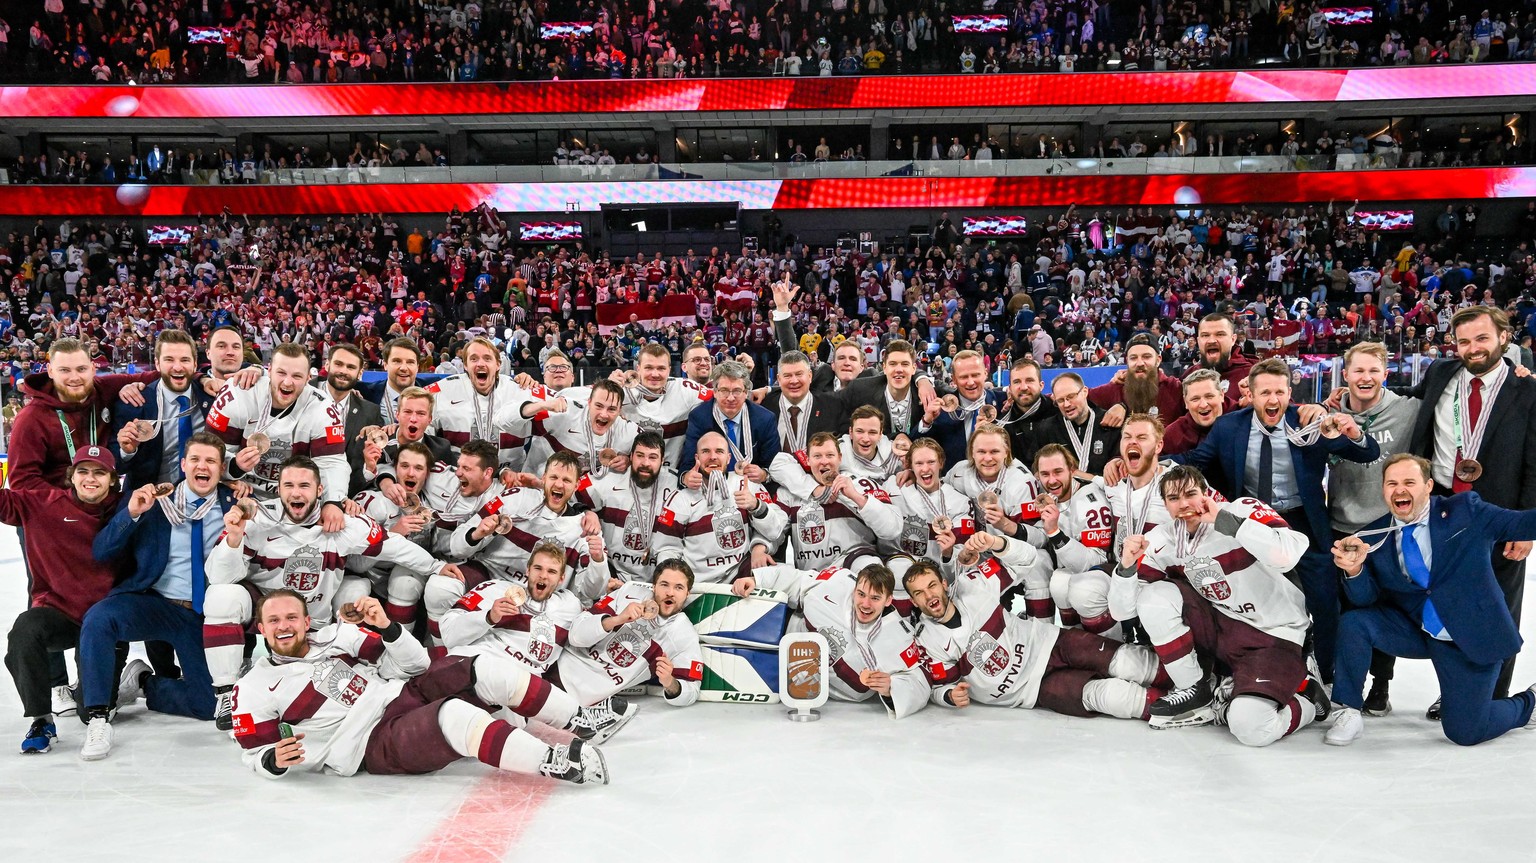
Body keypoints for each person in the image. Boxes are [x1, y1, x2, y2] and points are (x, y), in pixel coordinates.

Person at [231, 591, 614, 784]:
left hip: (401, 693)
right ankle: (556, 762)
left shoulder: (337, 636)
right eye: (274, 620)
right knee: (456, 716)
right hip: (370, 740)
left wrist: (388, 628)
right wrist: (273, 761)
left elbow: (415, 665)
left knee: (488, 668)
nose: (284, 626)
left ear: (305, 620)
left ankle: (580, 721)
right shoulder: (252, 686)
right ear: (261, 629)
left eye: (292, 617)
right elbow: (254, 752)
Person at [203, 456, 463, 730]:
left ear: (319, 491)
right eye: (288, 485)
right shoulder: (256, 520)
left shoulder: (343, 525)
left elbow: (393, 545)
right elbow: (219, 578)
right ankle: (226, 693)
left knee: (357, 588)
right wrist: (233, 538)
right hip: (266, 612)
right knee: (222, 597)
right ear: (278, 489)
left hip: (314, 619)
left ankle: (375, 673)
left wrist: (435, 565)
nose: (296, 492)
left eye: (304, 485)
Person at [1174, 358, 1380, 685]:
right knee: (1254, 602)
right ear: (1250, 395)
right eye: (1265, 392)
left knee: (1325, 603)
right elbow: (1193, 462)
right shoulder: (1229, 427)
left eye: (1280, 392)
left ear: (1290, 393)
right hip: (1252, 523)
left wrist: (1354, 432)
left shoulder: (1309, 422)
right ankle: (1264, 671)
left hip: (1305, 521)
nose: (1273, 400)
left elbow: (1366, 454)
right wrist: (1146, 462)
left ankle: (1328, 676)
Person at [1328, 454, 1536, 746]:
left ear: (1428, 486)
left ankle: (1530, 703)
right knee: (1355, 622)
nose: (1400, 490)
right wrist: (1354, 569)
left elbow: (1524, 523)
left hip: (1469, 637)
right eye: (1392, 483)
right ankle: (1347, 710)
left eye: (1409, 482)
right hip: (1418, 630)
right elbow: (1364, 600)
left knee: (1465, 731)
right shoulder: (1372, 535)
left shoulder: (1465, 510)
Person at [1115, 466, 1330, 744]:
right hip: (1223, 629)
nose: (1184, 505)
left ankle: (1308, 695)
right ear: (1165, 505)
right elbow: (1124, 611)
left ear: (1206, 493)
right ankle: (1195, 689)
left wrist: (1225, 520)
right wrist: (1126, 567)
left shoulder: (1241, 508)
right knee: (1153, 597)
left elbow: (1288, 554)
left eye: (1191, 494)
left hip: (1275, 634)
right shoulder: (1161, 540)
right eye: (1173, 498)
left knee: (1251, 728)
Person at [1398, 305, 1536, 705]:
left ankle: (1493, 695)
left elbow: (1533, 462)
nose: (1473, 348)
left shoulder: (1527, 390)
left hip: (1499, 514)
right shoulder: (1441, 373)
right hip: (1443, 506)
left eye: (1481, 338)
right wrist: (1357, 395)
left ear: (1503, 338)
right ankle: (1459, 690)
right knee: (1452, 604)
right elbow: (1414, 401)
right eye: (1464, 341)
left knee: (1498, 608)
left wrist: (1525, 530)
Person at [76, 433, 233, 760]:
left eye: (210, 461)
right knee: (100, 619)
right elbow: (102, 550)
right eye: (195, 460)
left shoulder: (233, 504)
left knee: (206, 706)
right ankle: (97, 716)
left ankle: (145, 681)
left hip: (204, 616)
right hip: (156, 604)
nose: (202, 466)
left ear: (221, 469)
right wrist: (131, 513)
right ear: (183, 464)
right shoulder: (156, 501)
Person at [905, 538, 1165, 720]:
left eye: (931, 586)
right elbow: (940, 687)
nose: (929, 596)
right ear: (913, 601)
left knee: (1123, 661)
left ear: (943, 583)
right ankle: (1167, 708)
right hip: (1031, 689)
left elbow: (1029, 558)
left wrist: (997, 544)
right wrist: (950, 696)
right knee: (1106, 696)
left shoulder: (973, 584)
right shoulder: (927, 640)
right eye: (918, 593)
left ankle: (1187, 684)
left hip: (1048, 643)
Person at [438, 541, 638, 736]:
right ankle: (581, 721)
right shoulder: (494, 589)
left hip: (511, 701)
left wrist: (615, 599)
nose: (543, 575)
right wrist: (488, 617)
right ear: (527, 570)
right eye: (538, 568)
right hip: (471, 671)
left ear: (561, 579)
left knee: (501, 724)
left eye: (551, 572)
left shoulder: (570, 606)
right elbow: (448, 634)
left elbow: (588, 628)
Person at [4, 445, 123, 755]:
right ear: (71, 477)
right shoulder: (42, 503)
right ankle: (41, 720)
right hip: (59, 614)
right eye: (83, 471)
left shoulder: (124, 511)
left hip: (102, 624)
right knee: (24, 631)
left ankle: (127, 682)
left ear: (112, 480)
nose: (90, 479)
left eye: (99, 473)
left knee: (91, 712)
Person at [1326, 341, 1421, 715]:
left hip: (1387, 526)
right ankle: (1341, 680)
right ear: (1345, 374)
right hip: (1341, 523)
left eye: (1373, 371)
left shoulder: (1406, 409)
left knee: (1386, 607)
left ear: (1386, 374)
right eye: (1358, 371)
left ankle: (1381, 684)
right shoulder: (1329, 414)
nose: (1365, 378)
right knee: (1345, 608)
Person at [735, 559, 929, 718]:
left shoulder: (899, 636)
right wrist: (758, 580)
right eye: (861, 594)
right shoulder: (837, 582)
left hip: (811, 696)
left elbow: (920, 682)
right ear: (854, 589)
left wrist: (892, 688)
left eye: (875, 598)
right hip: (779, 633)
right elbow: (799, 580)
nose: (865, 604)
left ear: (888, 600)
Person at [205, 342, 350, 525]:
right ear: (269, 370)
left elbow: (332, 462)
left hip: (294, 499)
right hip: (239, 492)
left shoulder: (323, 407)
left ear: (308, 378)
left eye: (297, 376)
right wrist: (234, 466)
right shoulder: (237, 393)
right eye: (281, 373)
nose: (287, 382)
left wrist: (332, 502)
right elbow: (209, 451)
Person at [552, 559, 705, 708]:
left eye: (678, 587)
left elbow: (692, 691)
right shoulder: (628, 592)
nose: (670, 593)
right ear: (654, 587)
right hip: (552, 665)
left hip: (577, 698)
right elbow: (575, 636)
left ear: (687, 593)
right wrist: (617, 619)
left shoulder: (684, 634)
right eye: (664, 585)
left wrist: (669, 682)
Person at [653, 431, 786, 585]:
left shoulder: (747, 485)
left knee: (773, 573)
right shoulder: (679, 498)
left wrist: (757, 507)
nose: (713, 457)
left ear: (728, 458)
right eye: (705, 452)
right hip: (697, 583)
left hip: (741, 576)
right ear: (697, 458)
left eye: (719, 451)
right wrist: (677, 582)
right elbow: (666, 548)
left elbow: (776, 531)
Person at [776, 432, 901, 570]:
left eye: (830, 455)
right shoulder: (790, 492)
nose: (824, 461)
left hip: (855, 567)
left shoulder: (862, 484)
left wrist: (855, 496)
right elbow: (774, 528)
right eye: (817, 456)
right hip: (811, 578)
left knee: (872, 568)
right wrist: (761, 546)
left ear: (840, 458)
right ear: (807, 460)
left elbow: (892, 529)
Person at [112, 330, 214, 489]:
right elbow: (117, 466)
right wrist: (126, 451)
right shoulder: (134, 402)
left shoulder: (210, 397)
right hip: (150, 497)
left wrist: (257, 369)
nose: (178, 367)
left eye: (185, 360)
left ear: (195, 364)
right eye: (169, 360)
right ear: (157, 364)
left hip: (202, 492)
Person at [575, 432, 678, 583]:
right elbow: (569, 496)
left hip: (657, 581)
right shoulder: (608, 479)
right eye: (640, 455)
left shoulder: (677, 484)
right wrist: (586, 511)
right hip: (612, 575)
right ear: (630, 457)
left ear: (663, 461)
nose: (645, 463)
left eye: (653, 457)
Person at [517, 379, 637, 478]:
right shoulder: (563, 413)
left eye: (611, 409)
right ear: (589, 402)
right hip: (538, 487)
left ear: (620, 409)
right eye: (599, 406)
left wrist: (629, 460)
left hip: (582, 498)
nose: (604, 414)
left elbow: (652, 453)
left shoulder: (627, 430)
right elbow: (505, 422)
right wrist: (539, 406)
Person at [679, 360, 779, 476]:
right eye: (724, 391)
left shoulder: (765, 419)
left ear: (746, 392)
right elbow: (688, 462)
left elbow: (773, 466)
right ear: (715, 392)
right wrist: (686, 477)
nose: (731, 398)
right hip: (711, 484)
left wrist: (764, 474)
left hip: (751, 486)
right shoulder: (699, 417)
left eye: (737, 391)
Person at [317, 344, 382, 496]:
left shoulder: (370, 412)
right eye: (338, 364)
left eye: (351, 367)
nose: (343, 371)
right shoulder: (302, 394)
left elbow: (369, 462)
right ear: (327, 364)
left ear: (360, 373)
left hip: (347, 496)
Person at [1036, 373, 1121, 476]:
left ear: (1085, 392)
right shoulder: (1046, 429)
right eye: (1060, 400)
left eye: (1071, 397)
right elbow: (1037, 470)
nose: (1067, 404)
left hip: (1105, 489)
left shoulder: (1109, 422)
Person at [1093, 335, 1187, 425]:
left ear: (1158, 360)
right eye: (1133, 358)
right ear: (1127, 361)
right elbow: (1081, 396)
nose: (1140, 363)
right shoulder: (1115, 389)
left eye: (1146, 357)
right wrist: (1118, 406)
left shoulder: (1176, 388)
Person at [996, 356, 1058, 465]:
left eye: (1029, 380)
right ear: (1010, 389)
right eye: (1017, 382)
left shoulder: (1058, 413)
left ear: (1041, 385)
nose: (1024, 387)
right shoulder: (1002, 424)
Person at [1161, 369, 1224, 456]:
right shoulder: (1172, 436)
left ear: (1222, 395)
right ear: (1186, 402)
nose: (1203, 405)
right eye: (1195, 399)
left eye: (1209, 396)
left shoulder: (1242, 420)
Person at [1195, 312, 1254, 395]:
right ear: (1198, 341)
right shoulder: (1189, 375)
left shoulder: (1252, 375)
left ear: (1233, 339)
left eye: (1220, 334)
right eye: (1205, 335)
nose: (1211, 341)